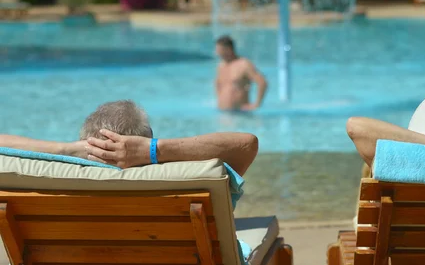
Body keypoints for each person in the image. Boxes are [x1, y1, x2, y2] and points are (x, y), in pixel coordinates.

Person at [0, 100, 258, 175]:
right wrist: (153, 152)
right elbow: (245, 143)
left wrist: (63, 149)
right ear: (147, 138)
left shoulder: (54, 177)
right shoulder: (183, 176)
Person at [215, 35, 267, 111]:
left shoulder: (244, 64)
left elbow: (262, 82)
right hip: (222, 112)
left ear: (228, 49)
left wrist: (257, 104)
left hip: (240, 113)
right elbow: (218, 84)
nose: (217, 53)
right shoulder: (221, 66)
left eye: (220, 50)